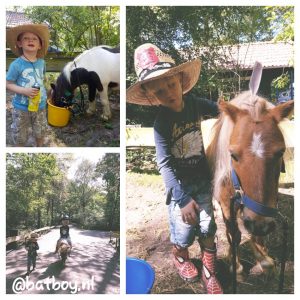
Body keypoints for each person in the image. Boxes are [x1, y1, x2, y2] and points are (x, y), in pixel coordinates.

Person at [127, 43, 223, 294]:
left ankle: (209, 268)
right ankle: (180, 254)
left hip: (202, 180)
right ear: (151, 95)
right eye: (159, 91)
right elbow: (164, 164)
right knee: (184, 232)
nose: (168, 93)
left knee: (208, 226)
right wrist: (181, 199)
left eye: (170, 84)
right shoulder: (162, 123)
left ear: (180, 80)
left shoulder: (196, 104)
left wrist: (237, 110)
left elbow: (221, 111)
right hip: (179, 189)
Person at [6, 24, 50, 147]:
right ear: (19, 43)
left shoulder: (42, 62)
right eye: (26, 38)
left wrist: (46, 94)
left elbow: (42, 79)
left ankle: (39, 147)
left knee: (40, 132)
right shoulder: (16, 64)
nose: (30, 40)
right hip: (21, 108)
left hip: (40, 106)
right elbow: (7, 83)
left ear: (40, 45)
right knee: (20, 136)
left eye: (35, 38)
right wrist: (24, 91)